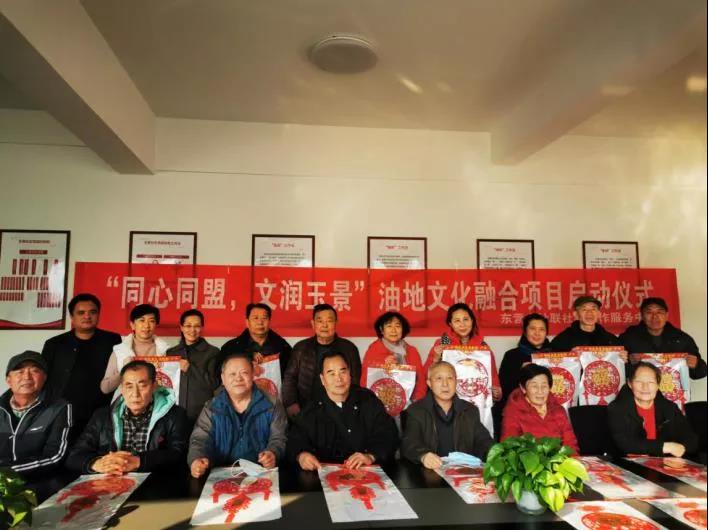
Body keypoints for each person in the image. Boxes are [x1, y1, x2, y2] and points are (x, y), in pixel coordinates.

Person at [66, 360, 189, 474]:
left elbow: (179, 455)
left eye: (142, 386)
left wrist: (139, 461)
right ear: (122, 388)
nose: (135, 394)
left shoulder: (175, 415)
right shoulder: (102, 416)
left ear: (154, 386)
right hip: (110, 482)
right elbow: (74, 456)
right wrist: (96, 463)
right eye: (129, 386)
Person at [287, 351, 398, 470]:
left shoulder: (368, 400)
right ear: (322, 379)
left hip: (365, 472)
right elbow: (295, 440)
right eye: (331, 373)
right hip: (323, 474)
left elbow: (388, 433)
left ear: (350, 374)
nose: (338, 379)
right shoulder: (312, 407)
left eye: (343, 371)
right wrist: (302, 456)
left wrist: (371, 456)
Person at [188, 352, 287, 478]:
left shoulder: (272, 404)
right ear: (223, 378)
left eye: (244, 373)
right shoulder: (211, 407)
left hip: (262, 474)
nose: (238, 378)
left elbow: (279, 438)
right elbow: (199, 439)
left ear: (252, 375)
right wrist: (196, 459)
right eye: (232, 374)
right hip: (220, 476)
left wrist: (273, 453)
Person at [41, 293, 121, 437]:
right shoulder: (54, 344)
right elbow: (43, 378)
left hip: (101, 410)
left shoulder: (112, 340)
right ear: (72, 317)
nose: (87, 316)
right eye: (81, 313)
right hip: (63, 411)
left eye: (92, 312)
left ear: (98, 314)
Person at [401, 361, 493, 469]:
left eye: (450, 378)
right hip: (429, 473)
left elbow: (483, 441)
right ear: (429, 383)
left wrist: (496, 453)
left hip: (462, 472)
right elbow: (409, 442)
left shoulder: (469, 410)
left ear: (456, 382)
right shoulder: (416, 410)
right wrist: (423, 455)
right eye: (439, 378)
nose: (445, 384)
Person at [0, 351, 72, 478]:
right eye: (20, 372)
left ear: (44, 378)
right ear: (8, 380)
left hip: (40, 481)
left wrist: (7, 471)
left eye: (34, 371)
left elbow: (55, 456)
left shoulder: (59, 408)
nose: (27, 377)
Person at [282, 304, 361, 417]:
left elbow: (355, 381)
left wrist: (349, 407)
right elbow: (290, 378)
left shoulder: (349, 349)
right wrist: (291, 404)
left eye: (329, 321)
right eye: (320, 321)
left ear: (336, 323)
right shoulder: (301, 348)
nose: (325, 325)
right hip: (306, 408)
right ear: (313, 324)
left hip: (339, 410)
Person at [607, 361, 698, 458]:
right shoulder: (617, 408)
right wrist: (666, 447)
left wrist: (682, 448)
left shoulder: (670, 408)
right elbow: (625, 443)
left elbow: (691, 440)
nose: (645, 387)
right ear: (630, 383)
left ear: (658, 385)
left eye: (651, 382)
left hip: (664, 463)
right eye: (639, 381)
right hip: (626, 463)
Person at [423, 303, 501, 401]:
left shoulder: (483, 346)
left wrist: (496, 392)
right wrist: (435, 359)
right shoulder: (443, 343)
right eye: (457, 321)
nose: (462, 324)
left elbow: (493, 377)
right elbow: (426, 376)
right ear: (450, 324)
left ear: (472, 321)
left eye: (465, 319)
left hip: (476, 400)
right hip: (448, 400)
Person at [493, 313, 552, 436]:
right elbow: (503, 388)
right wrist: (520, 373)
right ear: (525, 332)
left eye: (541, 329)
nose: (537, 333)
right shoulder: (511, 355)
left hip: (549, 413)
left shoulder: (556, 356)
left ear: (546, 332)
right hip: (519, 414)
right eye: (532, 328)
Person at [620, 297, 706, 380]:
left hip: (673, 388)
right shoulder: (629, 337)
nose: (654, 316)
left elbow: (702, 372)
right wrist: (628, 362)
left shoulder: (682, 338)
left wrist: (696, 365)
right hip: (640, 388)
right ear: (642, 315)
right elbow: (617, 369)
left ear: (666, 315)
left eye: (659, 312)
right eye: (649, 312)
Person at [501, 363, 579, 454]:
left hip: (560, 461)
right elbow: (509, 449)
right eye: (534, 386)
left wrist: (571, 460)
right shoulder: (513, 412)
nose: (540, 391)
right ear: (523, 388)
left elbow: (570, 444)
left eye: (544, 386)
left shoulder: (558, 410)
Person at [100, 304, 169, 395]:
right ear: (132, 325)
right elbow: (105, 388)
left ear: (156, 325)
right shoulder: (119, 351)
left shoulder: (166, 350)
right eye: (142, 320)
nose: (146, 325)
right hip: (126, 401)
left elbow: (170, 384)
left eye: (151, 321)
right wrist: (123, 371)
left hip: (157, 401)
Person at [166, 309, 221, 423]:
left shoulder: (212, 352)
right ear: (181, 327)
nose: (192, 330)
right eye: (188, 326)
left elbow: (214, 384)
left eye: (197, 326)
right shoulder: (171, 353)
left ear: (202, 328)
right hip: (174, 413)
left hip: (202, 413)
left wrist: (191, 369)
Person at [360, 311, 427, 404]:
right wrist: (384, 367)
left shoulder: (412, 351)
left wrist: (417, 402)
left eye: (397, 326)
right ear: (381, 330)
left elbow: (420, 380)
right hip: (381, 403)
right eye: (389, 326)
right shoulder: (374, 350)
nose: (393, 330)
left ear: (403, 329)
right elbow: (366, 381)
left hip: (410, 403)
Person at [218, 303, 292, 378]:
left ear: (269, 321)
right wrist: (247, 356)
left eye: (264, 318)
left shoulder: (284, 347)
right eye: (255, 318)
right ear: (247, 322)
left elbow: (290, 377)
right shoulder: (231, 348)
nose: (260, 322)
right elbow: (221, 374)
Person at [550, 296, 625, 359]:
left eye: (593, 309)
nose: (589, 313)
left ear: (599, 314)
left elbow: (621, 365)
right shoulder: (563, 339)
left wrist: (622, 360)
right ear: (576, 314)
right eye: (584, 309)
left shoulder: (610, 339)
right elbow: (553, 363)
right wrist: (569, 356)